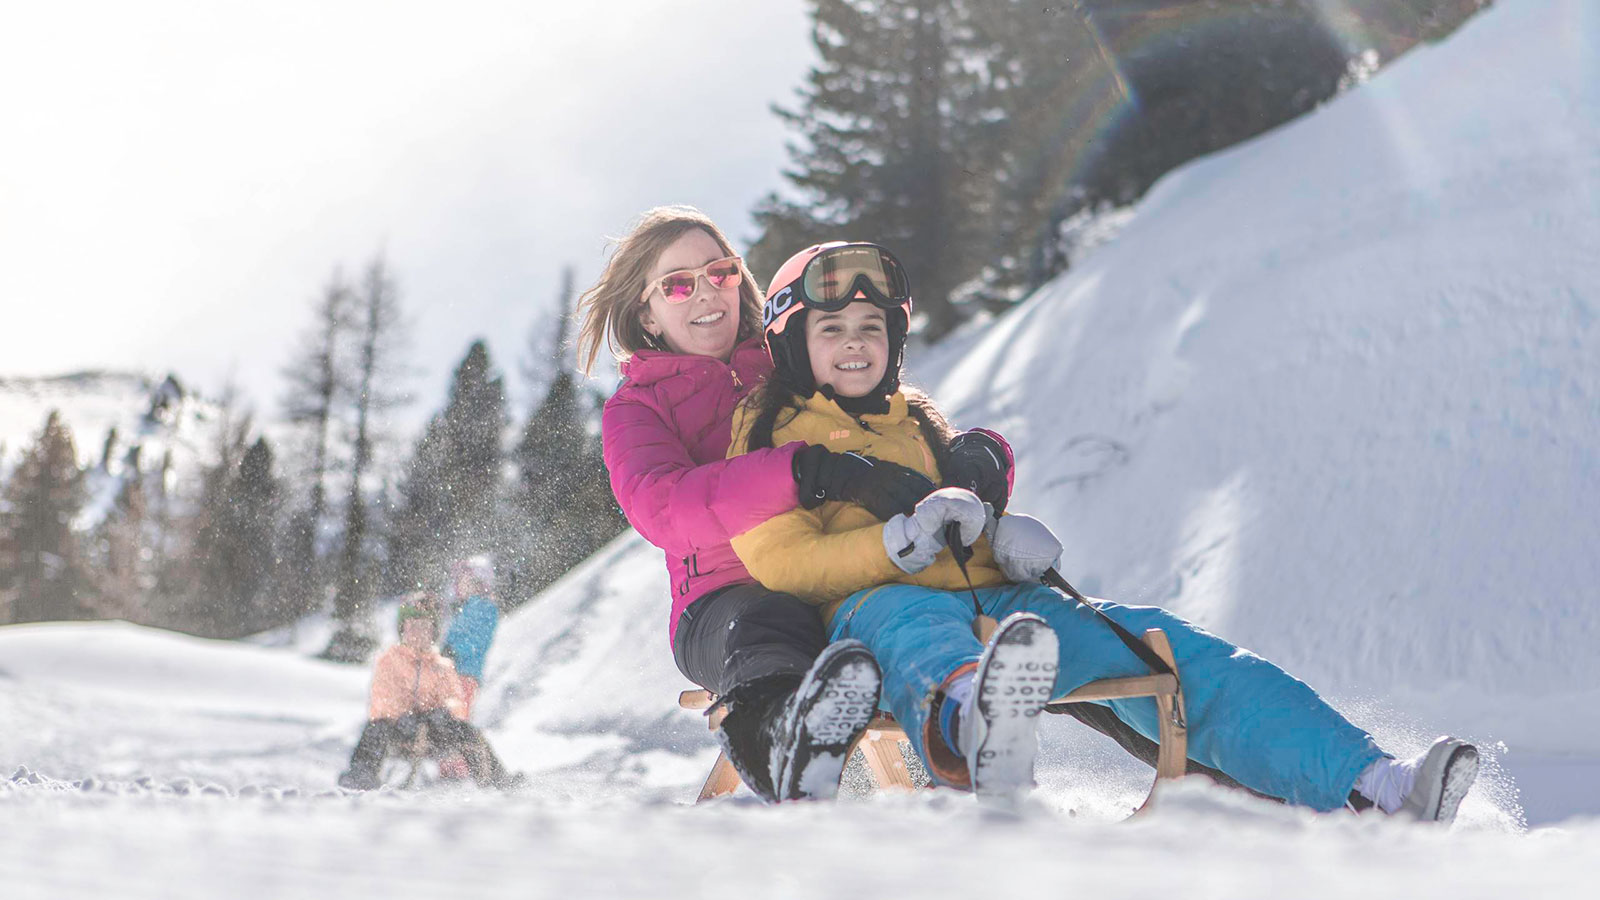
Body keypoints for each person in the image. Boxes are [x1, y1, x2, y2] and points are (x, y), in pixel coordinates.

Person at [724, 240, 1479, 822]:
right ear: (793, 342)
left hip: (998, 609)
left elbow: (964, 517)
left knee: (1156, 644)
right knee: (915, 622)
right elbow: (774, 559)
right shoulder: (774, 432)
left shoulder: (919, 420)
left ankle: (1373, 786)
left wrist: (1002, 539)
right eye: (832, 328)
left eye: (870, 326)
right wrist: (886, 549)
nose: (855, 342)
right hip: (873, 615)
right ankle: (976, 729)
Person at [578, 206, 971, 803]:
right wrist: (802, 472)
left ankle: (953, 770)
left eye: (721, 272)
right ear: (645, 313)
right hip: (724, 605)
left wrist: (968, 457)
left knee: (912, 612)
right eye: (678, 284)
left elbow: (883, 411)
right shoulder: (639, 406)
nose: (706, 293)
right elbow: (664, 507)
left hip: (835, 573)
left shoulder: (784, 358)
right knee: (772, 624)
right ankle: (785, 751)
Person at [337, 600, 516, 791]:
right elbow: (382, 697)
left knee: (468, 731)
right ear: (402, 630)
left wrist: (444, 712)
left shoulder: (442, 665)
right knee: (375, 728)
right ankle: (361, 774)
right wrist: (401, 716)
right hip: (399, 727)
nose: (418, 633)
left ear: (433, 632)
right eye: (412, 627)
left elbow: (456, 699)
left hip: (435, 729)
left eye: (425, 628)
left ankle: (496, 779)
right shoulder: (389, 661)